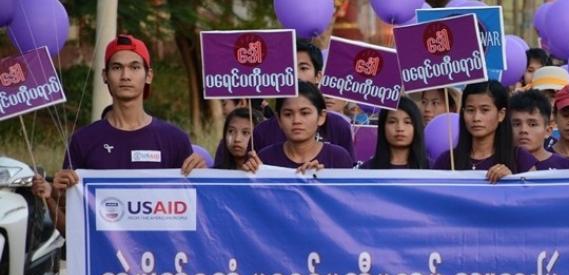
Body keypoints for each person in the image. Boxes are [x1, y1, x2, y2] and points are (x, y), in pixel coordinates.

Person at [53, 34, 204, 192]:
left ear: (149, 76)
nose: (125, 76)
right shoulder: (82, 141)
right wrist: (59, 194)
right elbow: (68, 211)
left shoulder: (175, 140)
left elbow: (192, 205)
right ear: (105, 76)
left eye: (135, 67)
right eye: (117, 68)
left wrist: (202, 176)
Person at [214, 39, 355, 164]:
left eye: (303, 68)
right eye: (288, 114)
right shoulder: (262, 134)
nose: (296, 75)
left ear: (318, 76)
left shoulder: (339, 129)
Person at [433, 80, 537, 183]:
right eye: (470, 110)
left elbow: (535, 196)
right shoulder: (447, 161)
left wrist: (511, 181)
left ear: (501, 114)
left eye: (485, 110)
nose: (476, 118)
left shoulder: (521, 159)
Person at [257, 80, 353, 172]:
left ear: (321, 117)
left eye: (305, 113)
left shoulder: (338, 157)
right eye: (288, 114)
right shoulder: (265, 158)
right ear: (279, 120)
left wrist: (321, 179)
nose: (296, 121)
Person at [509, 90, 569, 170]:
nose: (523, 130)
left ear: (548, 130)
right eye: (516, 124)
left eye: (532, 124)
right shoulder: (498, 169)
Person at [362, 97, 427, 169]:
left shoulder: (431, 168)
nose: (400, 128)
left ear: (416, 127)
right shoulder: (367, 169)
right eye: (392, 122)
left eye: (407, 122)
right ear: (383, 126)